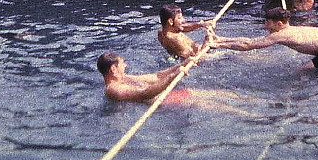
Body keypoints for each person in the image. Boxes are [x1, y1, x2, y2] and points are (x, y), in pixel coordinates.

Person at [96, 51, 253, 114]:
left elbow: (155, 76)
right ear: (113, 70)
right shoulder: (113, 89)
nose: (125, 65)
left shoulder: (124, 78)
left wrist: (182, 65)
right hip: (168, 102)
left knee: (221, 94)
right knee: (222, 107)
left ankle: (269, 103)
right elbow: (145, 93)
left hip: (170, 95)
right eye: (122, 64)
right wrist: (172, 77)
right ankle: (256, 117)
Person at [208, 7, 318, 70]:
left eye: (268, 22)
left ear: (279, 23)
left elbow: (248, 45)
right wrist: (220, 39)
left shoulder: (281, 35)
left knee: (300, 71)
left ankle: (296, 95)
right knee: (307, 67)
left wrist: (218, 45)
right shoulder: (287, 30)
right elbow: (250, 40)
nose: (265, 24)